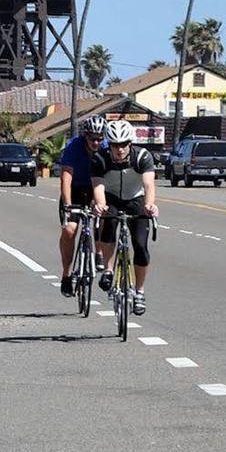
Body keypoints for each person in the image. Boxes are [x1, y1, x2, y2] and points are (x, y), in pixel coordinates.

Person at [90, 119, 157, 317]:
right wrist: (100, 204)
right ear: (108, 145)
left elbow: (148, 185)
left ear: (130, 143)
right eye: (114, 145)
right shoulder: (99, 159)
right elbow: (98, 185)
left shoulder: (142, 156)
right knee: (108, 223)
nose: (119, 150)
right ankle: (108, 269)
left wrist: (149, 205)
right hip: (110, 197)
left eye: (123, 144)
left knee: (141, 246)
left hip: (135, 199)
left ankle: (140, 292)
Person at [56, 114, 108, 296]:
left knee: (102, 216)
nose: (96, 143)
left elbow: (108, 177)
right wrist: (68, 206)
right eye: (92, 139)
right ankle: (66, 275)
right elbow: (66, 178)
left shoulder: (106, 148)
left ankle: (99, 252)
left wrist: (100, 201)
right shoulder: (73, 147)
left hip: (96, 187)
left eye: (100, 139)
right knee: (70, 230)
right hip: (76, 189)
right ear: (85, 136)